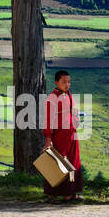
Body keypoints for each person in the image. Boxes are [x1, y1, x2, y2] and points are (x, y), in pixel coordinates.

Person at [41, 70, 83, 201]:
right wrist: (48, 138)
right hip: (59, 136)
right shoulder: (52, 98)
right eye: (64, 82)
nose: (67, 84)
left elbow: (73, 112)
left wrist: (76, 121)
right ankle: (52, 193)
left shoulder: (68, 95)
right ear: (56, 82)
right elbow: (48, 119)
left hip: (71, 135)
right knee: (58, 163)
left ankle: (70, 193)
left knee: (73, 162)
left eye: (69, 82)